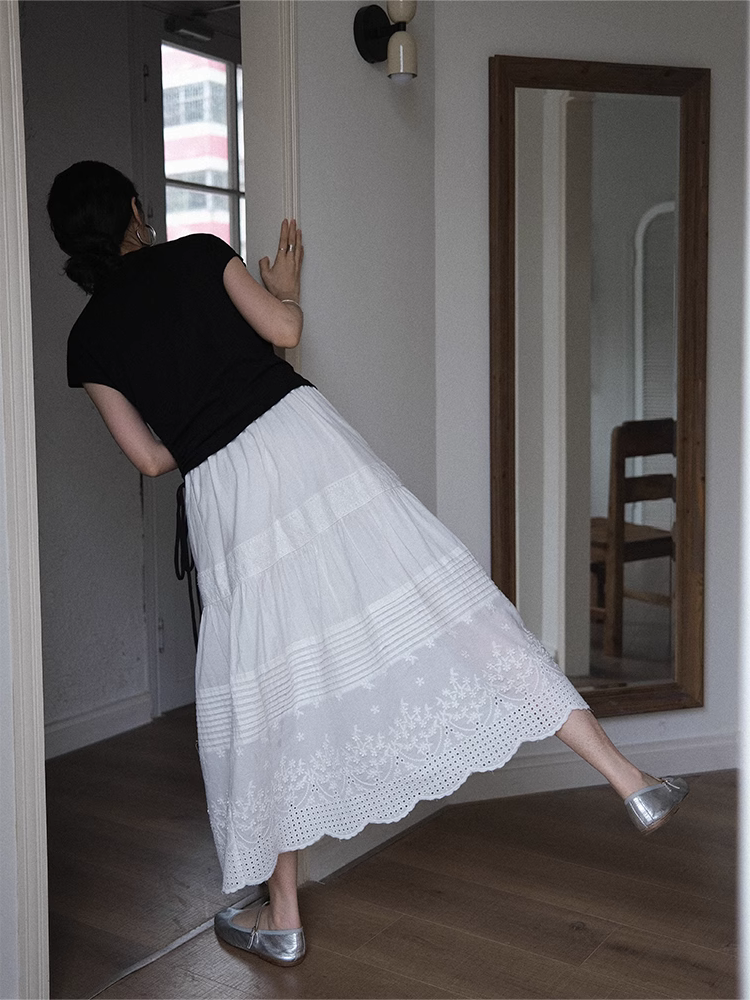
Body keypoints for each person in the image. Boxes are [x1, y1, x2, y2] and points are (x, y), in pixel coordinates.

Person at [47, 160, 688, 969]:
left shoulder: (86, 341)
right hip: (304, 439)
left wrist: (202, 420)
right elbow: (284, 333)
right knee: (440, 599)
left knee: (269, 684)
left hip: (222, 492)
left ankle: (283, 916)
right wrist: (284, 292)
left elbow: (147, 458)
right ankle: (629, 779)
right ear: (137, 210)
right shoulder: (199, 253)